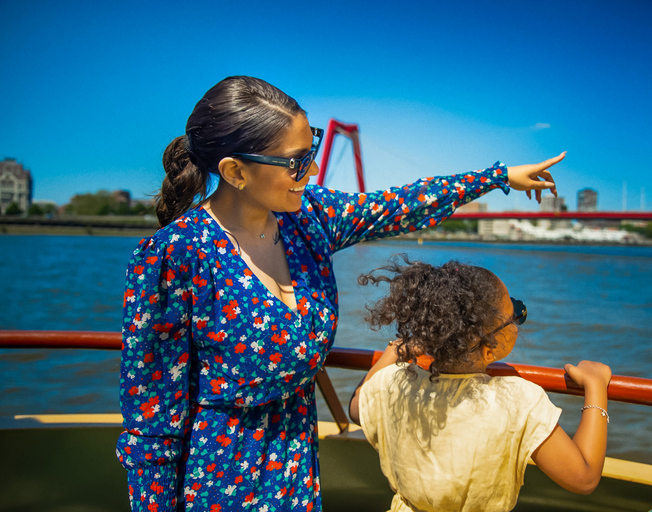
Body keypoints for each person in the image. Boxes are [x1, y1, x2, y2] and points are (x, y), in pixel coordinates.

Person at [116, 75, 566, 512]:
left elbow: (398, 206)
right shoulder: (174, 255)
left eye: (311, 149)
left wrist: (498, 175)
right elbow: (153, 420)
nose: (311, 169)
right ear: (235, 171)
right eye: (295, 161)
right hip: (218, 481)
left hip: (298, 471)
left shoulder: (307, 218)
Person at [349, 257, 612, 512]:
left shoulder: (394, 385)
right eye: (516, 314)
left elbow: (356, 405)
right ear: (489, 349)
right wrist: (596, 385)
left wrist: (395, 350)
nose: (518, 318)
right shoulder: (518, 402)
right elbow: (584, 477)